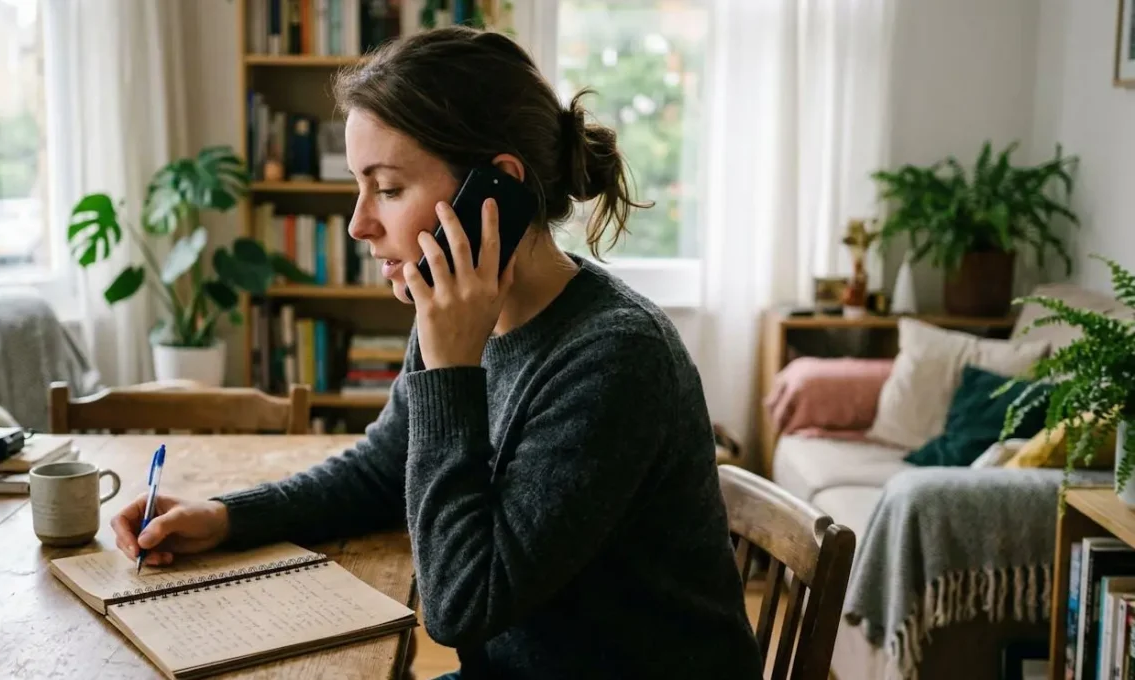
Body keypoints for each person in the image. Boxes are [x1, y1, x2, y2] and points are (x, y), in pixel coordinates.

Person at [110, 26, 762, 679]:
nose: (358, 224)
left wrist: (450, 370)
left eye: (388, 189)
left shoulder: (615, 357)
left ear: (495, 191)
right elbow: (382, 468)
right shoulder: (459, 311)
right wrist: (225, 517)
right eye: (360, 187)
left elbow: (460, 607)